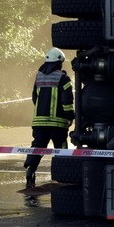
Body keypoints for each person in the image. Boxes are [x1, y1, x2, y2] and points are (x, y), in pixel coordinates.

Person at [23, 48, 75, 193]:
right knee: (61, 148)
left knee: (38, 147)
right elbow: (67, 101)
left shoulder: (38, 77)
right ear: (59, 62)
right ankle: (63, 175)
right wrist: (70, 116)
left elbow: (35, 98)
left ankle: (30, 170)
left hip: (39, 122)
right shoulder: (63, 78)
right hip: (58, 123)